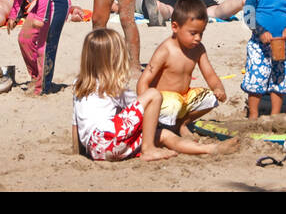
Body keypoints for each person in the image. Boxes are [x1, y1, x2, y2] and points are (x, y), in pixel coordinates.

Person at [72, 29, 228, 161]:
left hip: (96, 150)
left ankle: (210, 149)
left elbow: (76, 124)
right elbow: (143, 105)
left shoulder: (79, 85)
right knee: (153, 95)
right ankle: (149, 149)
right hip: (109, 138)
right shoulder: (113, 86)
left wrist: (77, 154)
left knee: (162, 134)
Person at [137, 0, 228, 138]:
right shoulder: (165, 50)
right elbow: (144, 81)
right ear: (175, 27)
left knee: (210, 98)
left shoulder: (198, 49)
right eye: (193, 33)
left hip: (183, 99)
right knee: (173, 104)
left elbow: (209, 74)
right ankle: (160, 127)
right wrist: (144, 108)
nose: (198, 38)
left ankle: (181, 123)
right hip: (163, 102)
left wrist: (218, 89)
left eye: (201, 33)